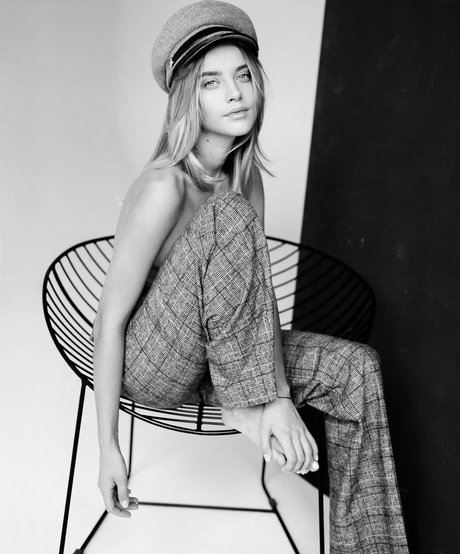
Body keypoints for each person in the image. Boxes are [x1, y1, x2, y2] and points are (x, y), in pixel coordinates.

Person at [92, 1, 409, 552]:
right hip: (154, 363)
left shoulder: (246, 179)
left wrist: (274, 392)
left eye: (242, 75)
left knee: (356, 369)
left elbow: (250, 297)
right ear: (188, 98)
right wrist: (108, 448)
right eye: (212, 82)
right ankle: (248, 403)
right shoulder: (164, 186)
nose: (235, 93)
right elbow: (109, 320)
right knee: (229, 212)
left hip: (222, 360)